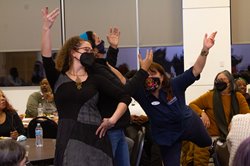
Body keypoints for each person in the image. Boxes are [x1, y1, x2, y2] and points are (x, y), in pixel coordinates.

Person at [41, 7, 132, 166]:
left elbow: (125, 96)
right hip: (68, 138)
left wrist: (112, 120)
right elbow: (46, 57)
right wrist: (46, 29)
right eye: (86, 49)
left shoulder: (95, 78)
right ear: (73, 52)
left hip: (96, 141)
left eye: (91, 50)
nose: (90, 53)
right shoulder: (58, 78)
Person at [131, 31, 217, 166]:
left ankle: (214, 149)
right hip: (166, 136)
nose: (149, 78)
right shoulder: (141, 93)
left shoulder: (174, 84)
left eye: (153, 73)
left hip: (188, 123)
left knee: (207, 142)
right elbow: (122, 81)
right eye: (146, 75)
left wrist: (205, 49)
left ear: (162, 76)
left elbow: (196, 70)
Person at [80, 29, 153, 165]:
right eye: (97, 40)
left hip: (116, 128)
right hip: (109, 130)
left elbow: (108, 68)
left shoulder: (99, 66)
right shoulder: (96, 69)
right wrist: (143, 71)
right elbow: (125, 91)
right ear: (91, 49)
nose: (101, 41)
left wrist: (113, 48)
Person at [186, 70, 250, 165]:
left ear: (229, 83)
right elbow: (192, 104)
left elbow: (247, 116)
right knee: (200, 150)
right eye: (218, 80)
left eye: (223, 79)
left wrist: (236, 121)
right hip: (210, 135)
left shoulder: (238, 97)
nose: (219, 82)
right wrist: (202, 113)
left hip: (230, 135)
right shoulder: (210, 95)